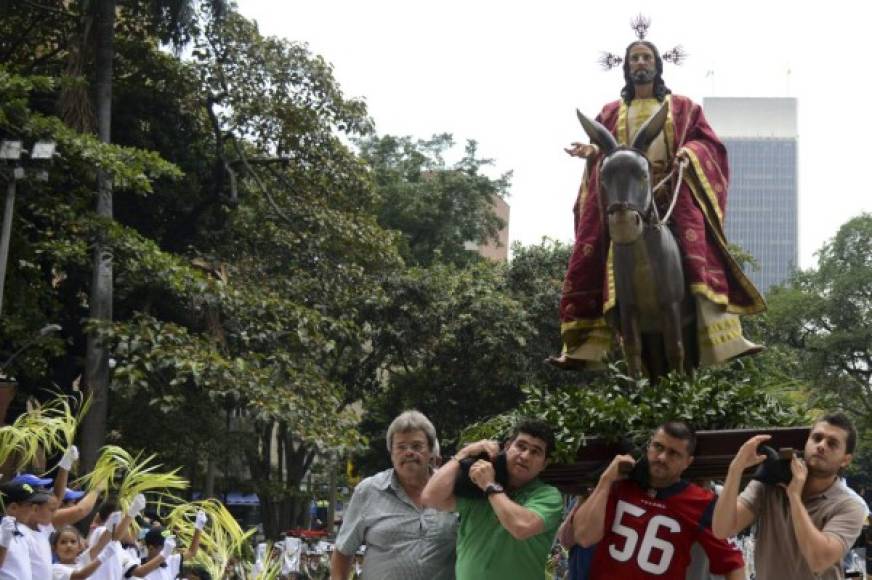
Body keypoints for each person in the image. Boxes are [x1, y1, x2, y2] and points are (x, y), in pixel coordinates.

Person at [551, 29, 765, 372]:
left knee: (701, 250)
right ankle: (584, 344)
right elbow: (606, 150)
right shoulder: (609, 111)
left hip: (669, 191)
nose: (640, 63)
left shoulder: (681, 106)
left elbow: (706, 142)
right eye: (634, 58)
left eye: (646, 57)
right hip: (627, 195)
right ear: (626, 67)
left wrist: (688, 154)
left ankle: (725, 335)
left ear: (657, 65)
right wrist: (592, 151)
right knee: (590, 252)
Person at [573, 421, 745, 579]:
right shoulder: (619, 483)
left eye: (674, 453)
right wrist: (605, 480)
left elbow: (732, 562)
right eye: (658, 447)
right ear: (648, 447)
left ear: (688, 462)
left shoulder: (702, 502)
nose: (662, 457)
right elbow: (583, 537)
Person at [712, 413, 867, 580]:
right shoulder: (770, 483)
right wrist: (736, 469)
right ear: (807, 442)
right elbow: (723, 529)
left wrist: (794, 496)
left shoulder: (851, 505)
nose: (821, 446)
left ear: (845, 459)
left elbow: (818, 560)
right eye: (817, 438)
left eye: (832, 443)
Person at [422, 417, 563, 580]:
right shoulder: (476, 488)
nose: (525, 456)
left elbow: (521, 527)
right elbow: (430, 498)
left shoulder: (548, 495)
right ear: (508, 446)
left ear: (544, 464)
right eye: (521, 446)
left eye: (535, 452)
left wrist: (490, 485)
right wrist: (463, 454)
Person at [331, 410, 457, 580]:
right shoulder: (368, 491)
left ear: (431, 452)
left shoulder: (453, 490)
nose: (409, 452)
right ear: (391, 454)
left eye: (417, 446)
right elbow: (342, 552)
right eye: (401, 447)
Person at [0, 480, 53, 579]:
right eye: (30, 505)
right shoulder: (2, 533)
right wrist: (4, 541)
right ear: (14, 508)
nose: (34, 510)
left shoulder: (21, 533)